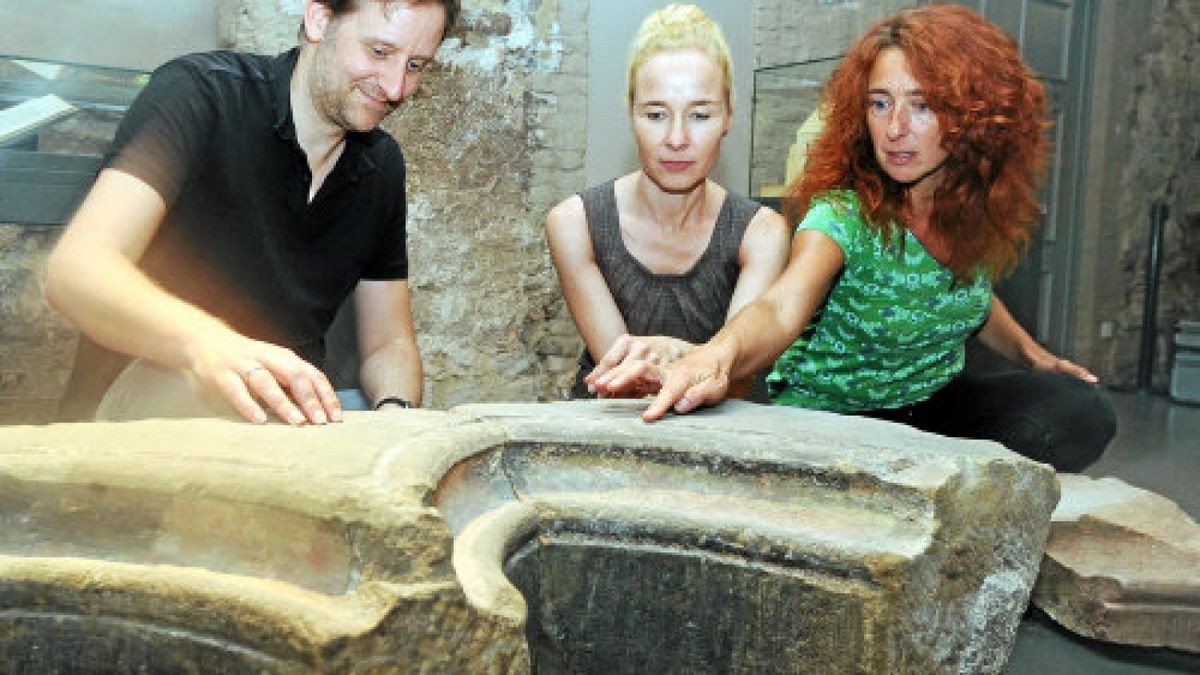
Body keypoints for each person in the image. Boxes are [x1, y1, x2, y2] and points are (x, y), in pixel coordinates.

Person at [588, 4, 1116, 472]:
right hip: (839, 421)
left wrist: (1033, 356)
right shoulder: (843, 217)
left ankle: (934, 475)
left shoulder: (967, 207)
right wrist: (714, 358)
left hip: (932, 405)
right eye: (880, 103)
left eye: (923, 105)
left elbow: (968, 296)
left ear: (972, 117)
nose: (895, 128)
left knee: (1081, 409)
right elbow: (778, 309)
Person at [46, 0, 458, 425]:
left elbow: (388, 342)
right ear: (319, 19)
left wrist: (395, 416)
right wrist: (213, 346)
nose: (395, 88)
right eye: (379, 52)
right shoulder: (202, 93)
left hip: (276, 424)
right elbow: (76, 271)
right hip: (142, 407)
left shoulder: (381, 165)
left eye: (415, 66)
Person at [546, 4, 789, 401]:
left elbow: (740, 374)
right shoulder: (575, 223)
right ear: (631, 114)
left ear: (728, 115)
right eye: (657, 114)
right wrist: (704, 363)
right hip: (605, 438)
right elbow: (622, 376)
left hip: (725, 439)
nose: (677, 139)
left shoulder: (761, 233)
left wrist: (690, 358)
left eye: (700, 115)